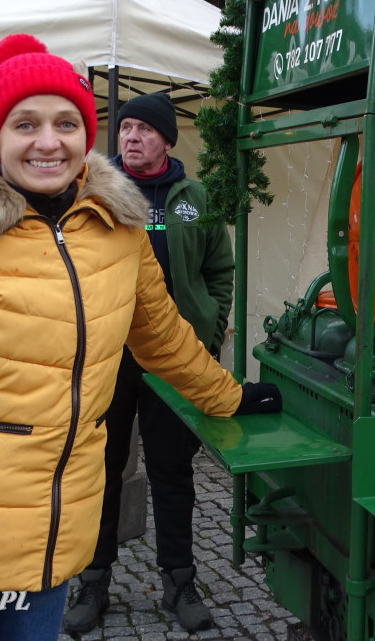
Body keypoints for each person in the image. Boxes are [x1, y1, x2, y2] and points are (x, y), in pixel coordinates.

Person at [0, 34, 279, 641]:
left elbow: (165, 339)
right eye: (25, 123)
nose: (47, 140)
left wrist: (230, 397)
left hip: (45, 551)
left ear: (87, 135)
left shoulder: (119, 232)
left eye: (67, 122)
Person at [63, 92, 232, 633]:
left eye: (143, 129)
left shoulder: (194, 197)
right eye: (125, 127)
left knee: (171, 471)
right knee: (101, 470)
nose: (131, 137)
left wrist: (208, 333)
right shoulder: (94, 192)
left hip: (171, 361)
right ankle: (93, 584)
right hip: (108, 360)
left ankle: (180, 583)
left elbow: (219, 269)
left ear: (166, 139)